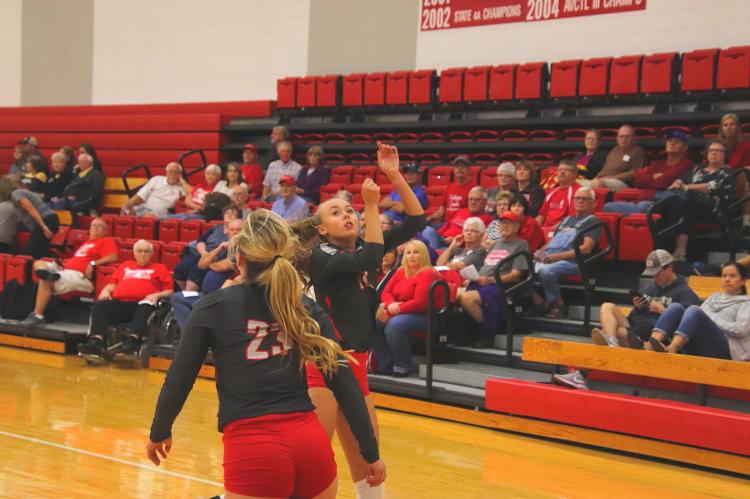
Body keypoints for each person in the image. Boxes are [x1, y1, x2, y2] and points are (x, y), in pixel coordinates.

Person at [146, 209, 385, 499]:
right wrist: (370, 453)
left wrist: (160, 430)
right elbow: (344, 382)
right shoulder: (304, 306)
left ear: (239, 260)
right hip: (311, 445)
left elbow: (179, 378)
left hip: (255, 446)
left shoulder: (214, 306)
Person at [309, 142, 423, 498]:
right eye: (335, 212)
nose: (347, 214)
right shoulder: (322, 254)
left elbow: (418, 220)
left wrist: (393, 175)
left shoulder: (361, 250)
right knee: (314, 466)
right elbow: (371, 255)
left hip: (357, 365)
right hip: (322, 366)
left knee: (371, 471)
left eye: (350, 209)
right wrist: (371, 206)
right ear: (322, 229)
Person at [552, 250, 700, 390]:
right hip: (635, 327)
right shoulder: (649, 287)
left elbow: (689, 323)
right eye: (652, 274)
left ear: (669, 267)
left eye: (657, 273)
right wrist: (638, 307)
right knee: (607, 306)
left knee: (610, 331)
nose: (654, 277)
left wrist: (663, 310)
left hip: (652, 338)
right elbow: (633, 317)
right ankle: (611, 342)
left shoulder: (685, 292)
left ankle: (581, 374)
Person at [77, 239, 172, 358]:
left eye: (146, 251)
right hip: (121, 304)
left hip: (143, 305)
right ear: (134, 253)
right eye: (139, 251)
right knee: (101, 306)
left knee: (146, 304)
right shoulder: (126, 265)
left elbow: (170, 291)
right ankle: (96, 342)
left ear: (151, 254)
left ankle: (132, 342)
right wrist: (106, 290)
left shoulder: (160, 268)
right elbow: (112, 284)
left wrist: (156, 295)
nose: (143, 254)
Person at [20, 218, 118, 326]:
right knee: (38, 262)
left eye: (99, 226)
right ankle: (49, 274)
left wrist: (93, 263)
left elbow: (113, 257)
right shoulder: (86, 243)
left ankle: (37, 315)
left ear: (105, 231)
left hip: (81, 276)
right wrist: (63, 266)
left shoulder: (107, 240)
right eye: (93, 225)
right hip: (65, 270)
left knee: (45, 280)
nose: (95, 228)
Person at [647, 262, 750, 361]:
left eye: (732, 276)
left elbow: (740, 330)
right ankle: (651, 345)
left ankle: (672, 348)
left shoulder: (746, 303)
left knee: (694, 310)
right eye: (724, 276)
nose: (727, 279)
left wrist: (712, 318)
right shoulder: (714, 297)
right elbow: (701, 314)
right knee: (675, 307)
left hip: (726, 351)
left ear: (743, 280)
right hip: (701, 343)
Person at [459, 211, 530, 348]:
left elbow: (516, 274)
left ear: (516, 227)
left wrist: (490, 280)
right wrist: (474, 278)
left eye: (508, 224)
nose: (504, 226)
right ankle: (460, 335)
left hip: (500, 286)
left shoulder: (521, 245)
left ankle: (487, 331)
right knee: (452, 296)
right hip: (481, 282)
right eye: (502, 223)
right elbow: (486, 266)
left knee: (466, 299)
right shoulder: (495, 244)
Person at [656, 139, 734, 261]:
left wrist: (687, 187)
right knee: (669, 203)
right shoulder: (698, 169)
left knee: (684, 203)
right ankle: (660, 251)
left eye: (719, 151)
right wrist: (678, 182)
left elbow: (712, 187)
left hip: (712, 208)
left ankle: (680, 250)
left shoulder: (727, 172)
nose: (714, 153)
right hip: (689, 203)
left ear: (725, 155)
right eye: (712, 150)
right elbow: (683, 179)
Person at [530, 187, 600, 319]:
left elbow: (586, 249)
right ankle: (538, 301)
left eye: (584, 199)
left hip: (573, 261)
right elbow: (552, 243)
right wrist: (539, 252)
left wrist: (557, 257)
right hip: (552, 256)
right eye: (577, 198)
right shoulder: (566, 220)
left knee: (547, 271)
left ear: (593, 203)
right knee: (521, 267)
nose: (580, 201)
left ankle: (558, 304)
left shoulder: (593, 221)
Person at [373, 240, 439, 376]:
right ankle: (386, 365)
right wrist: (391, 304)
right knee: (374, 323)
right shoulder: (400, 271)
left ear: (424, 255)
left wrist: (394, 310)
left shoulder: (427, 273)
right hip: (398, 312)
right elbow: (386, 292)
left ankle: (402, 366)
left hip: (425, 316)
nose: (412, 256)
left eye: (416, 252)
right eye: (408, 253)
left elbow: (420, 302)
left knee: (394, 325)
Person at [603, 131, 694, 215]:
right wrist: (653, 177)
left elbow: (663, 182)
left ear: (685, 147)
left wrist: (649, 182)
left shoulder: (686, 164)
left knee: (643, 206)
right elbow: (637, 180)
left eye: (677, 142)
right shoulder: (658, 164)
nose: (672, 143)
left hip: (660, 204)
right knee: (608, 206)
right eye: (670, 141)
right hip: (642, 201)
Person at [172, 206, 242, 291]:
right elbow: (201, 241)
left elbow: (223, 266)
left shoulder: (242, 245)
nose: (235, 232)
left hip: (228, 278)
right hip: (207, 256)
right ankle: (187, 295)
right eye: (232, 230)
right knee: (187, 268)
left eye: (238, 230)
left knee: (203, 271)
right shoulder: (217, 228)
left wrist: (208, 263)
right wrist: (215, 250)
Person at [0, 177, 59, 259]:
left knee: (29, 255)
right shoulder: (16, 198)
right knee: (39, 251)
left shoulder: (16, 194)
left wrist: (44, 226)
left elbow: (30, 208)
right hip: (46, 220)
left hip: (45, 220)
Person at [590, 124, 645, 192]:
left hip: (624, 183)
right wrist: (598, 176)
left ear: (633, 138)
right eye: (621, 136)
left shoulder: (637, 151)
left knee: (599, 184)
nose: (624, 139)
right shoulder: (614, 150)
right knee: (581, 184)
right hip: (606, 180)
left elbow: (634, 173)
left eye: (627, 137)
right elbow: (606, 167)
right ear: (617, 138)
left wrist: (612, 178)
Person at [425, 155, 477, 227]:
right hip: (446, 224)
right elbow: (442, 211)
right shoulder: (449, 187)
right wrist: (428, 219)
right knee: (425, 229)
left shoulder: (474, 189)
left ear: (469, 169)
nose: (460, 169)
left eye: (463, 166)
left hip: (461, 225)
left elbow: (475, 212)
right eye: (457, 166)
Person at [121, 162, 187, 218]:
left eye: (176, 172)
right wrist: (126, 206)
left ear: (179, 174)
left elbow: (192, 193)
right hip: (144, 207)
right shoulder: (156, 179)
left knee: (148, 217)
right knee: (126, 212)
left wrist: (182, 181)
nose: (173, 174)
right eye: (170, 171)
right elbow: (140, 196)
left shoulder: (180, 188)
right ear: (166, 173)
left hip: (159, 213)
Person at [535, 159, 581, 235]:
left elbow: (571, 219)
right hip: (545, 230)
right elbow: (541, 216)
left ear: (575, 174)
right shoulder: (551, 192)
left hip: (563, 231)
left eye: (567, 170)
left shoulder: (578, 191)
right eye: (560, 170)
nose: (562, 172)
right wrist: (533, 227)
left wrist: (549, 230)